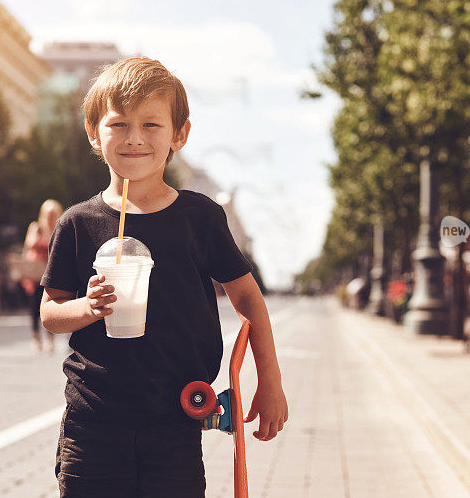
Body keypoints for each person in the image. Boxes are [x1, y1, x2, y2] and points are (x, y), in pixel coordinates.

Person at [39, 57, 288, 497]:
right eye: (118, 125)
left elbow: (247, 298)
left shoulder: (200, 217)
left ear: (180, 134)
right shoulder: (78, 222)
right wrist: (87, 307)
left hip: (176, 421)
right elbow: (51, 311)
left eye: (151, 125)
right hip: (93, 424)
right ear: (94, 133)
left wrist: (269, 381)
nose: (135, 138)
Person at [21, 199, 63, 353]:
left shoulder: (60, 227)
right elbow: (29, 244)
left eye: (54, 213)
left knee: (51, 305)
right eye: (49, 214)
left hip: (51, 273)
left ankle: (50, 339)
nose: (51, 217)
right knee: (34, 307)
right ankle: (35, 337)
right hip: (35, 274)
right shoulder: (36, 227)